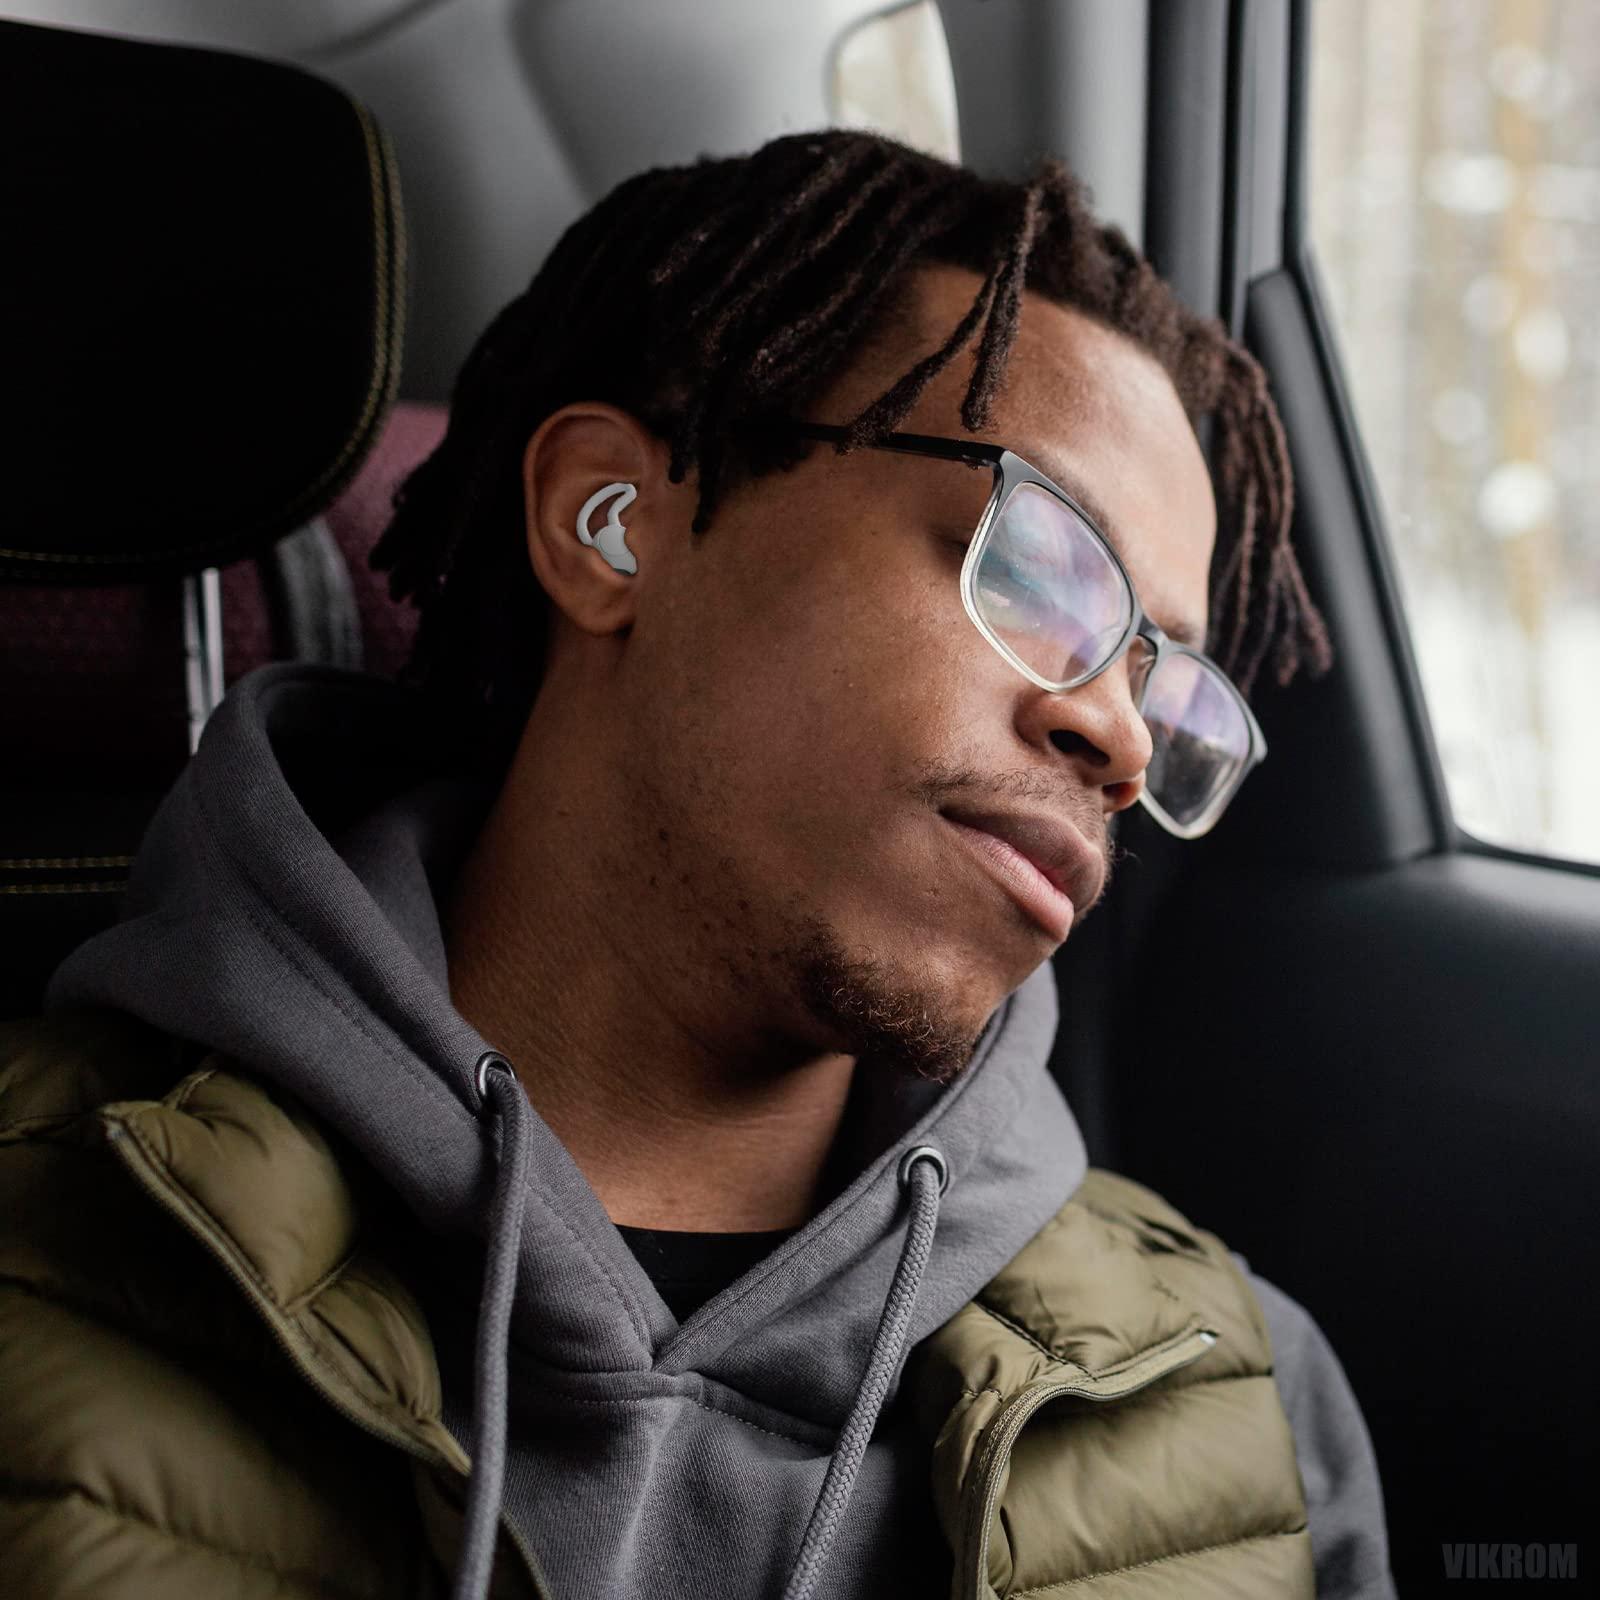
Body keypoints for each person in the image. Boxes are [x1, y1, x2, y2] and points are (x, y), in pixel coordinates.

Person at [0, 129, 1395, 1600]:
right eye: (1040, 569)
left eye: (1166, 684)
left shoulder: (1242, 1412)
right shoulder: (42, 1258)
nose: (1116, 735)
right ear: (608, 520)